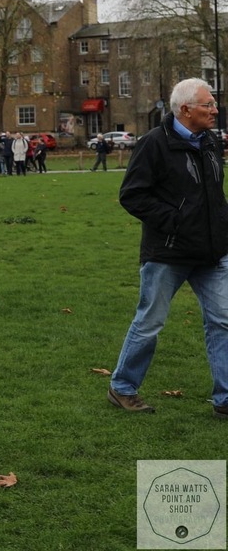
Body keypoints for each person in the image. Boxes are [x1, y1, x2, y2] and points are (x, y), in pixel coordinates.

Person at [108, 78, 228, 419]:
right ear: (186, 109)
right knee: (150, 323)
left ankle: (226, 397)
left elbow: (212, 193)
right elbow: (132, 195)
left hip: (213, 252)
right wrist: (176, 221)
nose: (215, 109)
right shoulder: (153, 144)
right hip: (168, 253)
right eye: (208, 104)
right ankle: (123, 388)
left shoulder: (210, 141)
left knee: (224, 321)